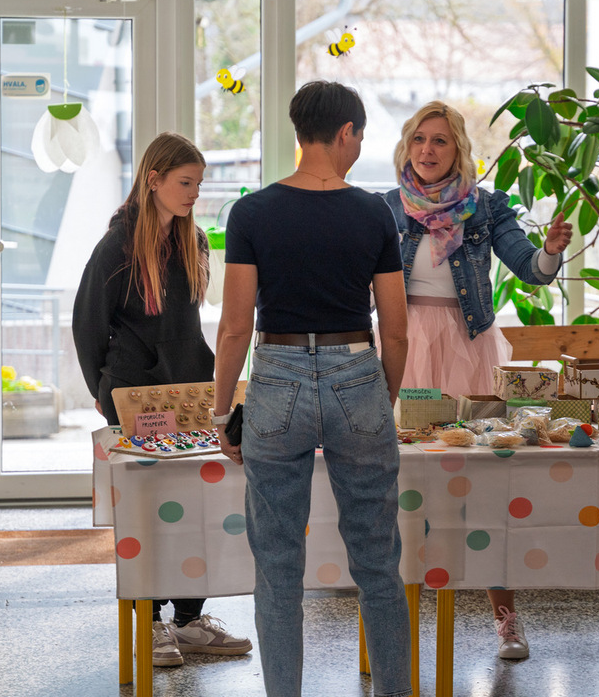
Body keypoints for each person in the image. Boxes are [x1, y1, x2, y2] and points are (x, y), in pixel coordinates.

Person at [212, 81, 412, 697]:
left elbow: (234, 326)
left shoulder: (251, 212)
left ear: (300, 132)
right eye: (361, 136)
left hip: (277, 374)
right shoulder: (374, 213)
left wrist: (222, 413)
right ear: (347, 132)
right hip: (357, 371)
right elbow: (396, 329)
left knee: (277, 569)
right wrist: (380, 399)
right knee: (378, 563)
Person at [382, 99, 572, 659]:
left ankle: (506, 619)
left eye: (440, 140)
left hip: (468, 348)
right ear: (406, 146)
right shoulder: (385, 207)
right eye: (419, 139)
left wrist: (551, 252)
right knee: (401, 481)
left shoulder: (485, 207)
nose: (428, 149)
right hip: (405, 348)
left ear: (458, 149)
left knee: (485, 483)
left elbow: (531, 269)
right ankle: (395, 622)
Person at [72, 131, 252, 667]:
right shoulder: (117, 245)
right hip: (134, 395)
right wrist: (104, 392)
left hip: (190, 389)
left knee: (196, 505)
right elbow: (87, 325)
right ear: (153, 180)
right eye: (185, 182)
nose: (195, 193)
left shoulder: (194, 241)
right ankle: (149, 624)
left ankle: (190, 620)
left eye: (199, 183)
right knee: (148, 511)